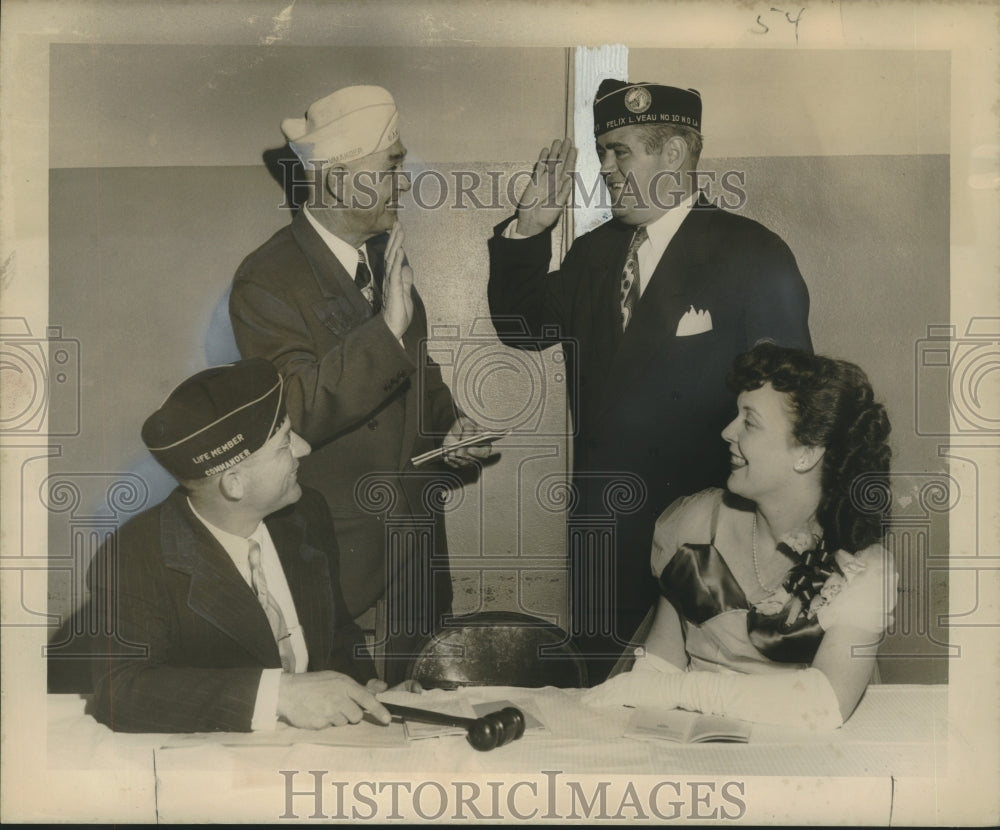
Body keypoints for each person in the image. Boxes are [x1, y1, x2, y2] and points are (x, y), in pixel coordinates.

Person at [488, 79, 813, 682]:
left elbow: (791, 412)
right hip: (601, 533)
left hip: (707, 538)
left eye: (621, 151)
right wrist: (530, 227)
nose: (606, 168)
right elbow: (521, 325)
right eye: (602, 152)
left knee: (707, 687)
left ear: (674, 154)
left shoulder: (752, 254)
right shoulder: (594, 255)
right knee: (604, 693)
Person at [230, 85, 494, 684]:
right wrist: (388, 330)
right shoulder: (267, 279)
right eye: (392, 165)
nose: (404, 180)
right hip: (337, 561)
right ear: (337, 180)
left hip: (417, 555)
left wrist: (451, 427)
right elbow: (292, 407)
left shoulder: (383, 261)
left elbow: (419, 385)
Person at [581, 343, 896, 729]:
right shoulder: (696, 524)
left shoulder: (862, 566)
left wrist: (685, 692)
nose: (727, 432)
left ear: (807, 452)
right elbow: (655, 672)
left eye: (750, 422)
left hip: (795, 760)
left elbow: (824, 703)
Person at [88, 359, 407, 733]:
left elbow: (335, 630)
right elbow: (120, 691)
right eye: (285, 442)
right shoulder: (133, 555)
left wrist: (367, 690)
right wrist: (278, 696)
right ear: (234, 484)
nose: (304, 448)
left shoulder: (306, 512)